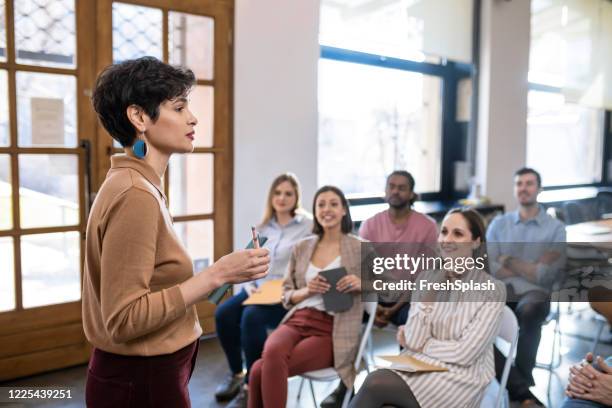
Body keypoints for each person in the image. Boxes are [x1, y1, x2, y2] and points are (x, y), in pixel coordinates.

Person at [82, 57, 270, 408]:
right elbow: (123, 318)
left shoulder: (139, 185)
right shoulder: (136, 194)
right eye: (179, 107)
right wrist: (218, 274)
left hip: (150, 374)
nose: (193, 118)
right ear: (139, 117)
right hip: (141, 380)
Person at [350, 208, 506, 408]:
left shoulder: (493, 290)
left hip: (459, 379)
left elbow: (465, 354)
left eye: (457, 234)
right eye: (444, 232)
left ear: (476, 242)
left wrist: (424, 346)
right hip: (418, 365)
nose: (447, 239)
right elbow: (413, 340)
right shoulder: (427, 278)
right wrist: (428, 297)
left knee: (375, 382)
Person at [248, 186, 365, 408]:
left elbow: (390, 287)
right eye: (321, 204)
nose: (326, 209)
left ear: (343, 211)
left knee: (257, 370)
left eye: (333, 204)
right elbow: (286, 293)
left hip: (332, 329)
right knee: (270, 352)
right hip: (298, 319)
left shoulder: (359, 247)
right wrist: (308, 290)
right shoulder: (302, 247)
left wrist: (362, 284)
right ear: (315, 211)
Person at [214, 173, 313, 407]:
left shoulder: (307, 226)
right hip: (258, 290)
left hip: (285, 295)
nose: (282, 198)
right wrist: (249, 286)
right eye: (278, 193)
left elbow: (310, 267)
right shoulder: (262, 227)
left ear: (296, 197)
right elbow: (249, 264)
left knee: (251, 318)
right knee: (223, 314)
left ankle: (251, 384)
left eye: (288, 193)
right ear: (271, 197)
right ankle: (236, 373)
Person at [487, 167, 566, 407]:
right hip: (502, 289)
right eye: (519, 183)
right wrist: (530, 266)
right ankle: (521, 388)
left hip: (536, 293)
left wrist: (507, 259)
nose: (524, 188)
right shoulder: (499, 225)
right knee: (471, 313)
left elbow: (546, 275)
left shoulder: (555, 229)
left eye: (529, 183)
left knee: (531, 310)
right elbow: (491, 265)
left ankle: (518, 381)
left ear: (539, 189)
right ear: (515, 189)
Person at [359, 170, 437, 328]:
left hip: (407, 299)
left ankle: (407, 354)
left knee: (417, 318)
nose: (395, 191)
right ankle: (354, 353)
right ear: (386, 190)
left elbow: (423, 278)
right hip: (374, 296)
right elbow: (362, 272)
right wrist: (373, 307)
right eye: (392, 186)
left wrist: (393, 309)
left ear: (411, 194)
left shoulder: (427, 226)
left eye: (402, 188)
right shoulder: (369, 224)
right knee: (340, 309)